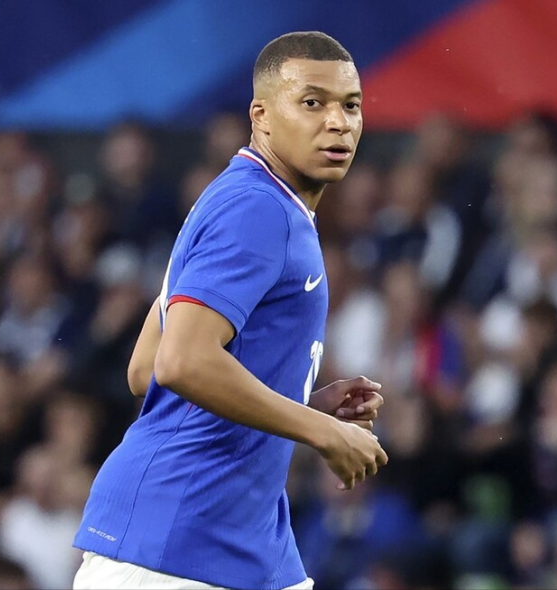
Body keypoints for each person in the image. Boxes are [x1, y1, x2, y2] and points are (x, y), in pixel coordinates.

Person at [72, 31, 388, 590]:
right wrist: (321, 430)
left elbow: (145, 369)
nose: (337, 122)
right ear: (261, 115)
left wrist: (298, 398)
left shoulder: (239, 196)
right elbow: (178, 363)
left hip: (236, 539)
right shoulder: (257, 209)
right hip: (176, 544)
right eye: (312, 102)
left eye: (350, 105)